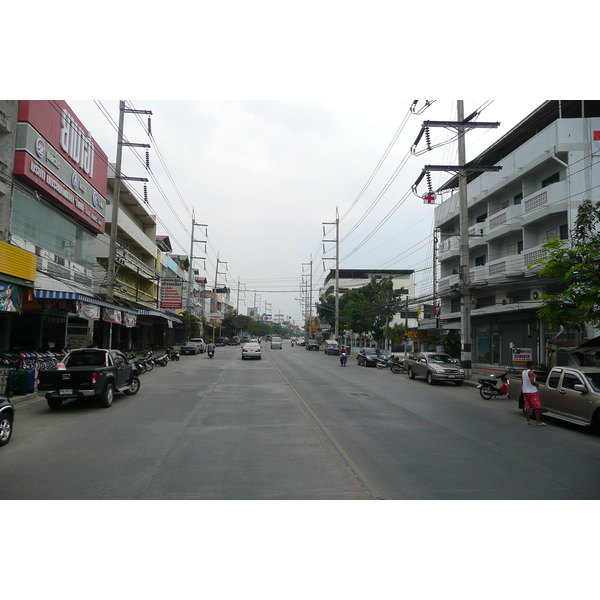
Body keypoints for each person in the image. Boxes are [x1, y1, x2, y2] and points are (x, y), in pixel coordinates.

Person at [522, 360, 545, 426]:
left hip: (525, 391)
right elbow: (532, 382)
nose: (533, 366)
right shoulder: (530, 372)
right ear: (531, 366)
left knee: (528, 406)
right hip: (532, 391)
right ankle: (538, 421)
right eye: (533, 365)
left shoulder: (524, 372)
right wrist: (537, 384)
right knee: (537, 407)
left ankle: (528, 420)